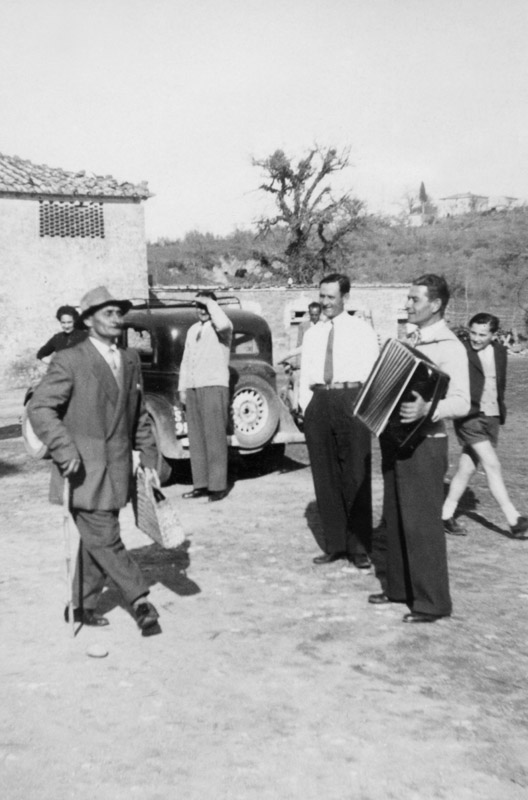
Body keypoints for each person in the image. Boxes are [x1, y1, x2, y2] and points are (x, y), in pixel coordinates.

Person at [28, 286, 161, 634]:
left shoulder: (130, 360)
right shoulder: (70, 359)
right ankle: (140, 601)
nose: (117, 319)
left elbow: (138, 415)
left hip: (117, 470)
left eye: (119, 313)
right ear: (88, 320)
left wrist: (149, 457)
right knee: (106, 537)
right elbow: (40, 408)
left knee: (97, 540)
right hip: (81, 471)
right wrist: (63, 448)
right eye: (108, 313)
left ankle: (81, 605)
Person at [369, 274, 470, 623]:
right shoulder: (410, 340)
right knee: (395, 518)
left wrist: (430, 410)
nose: (408, 305)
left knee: (422, 524)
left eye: (414, 299)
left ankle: (432, 602)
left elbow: (462, 401)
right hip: (397, 441)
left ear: (436, 304)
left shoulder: (450, 346)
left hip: (427, 443)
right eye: (408, 299)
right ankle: (399, 588)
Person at [299, 273, 379, 569]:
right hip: (319, 401)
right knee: (325, 475)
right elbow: (305, 373)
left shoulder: (361, 330)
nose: (325, 302)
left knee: (355, 474)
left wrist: (364, 411)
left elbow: (372, 374)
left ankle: (359, 547)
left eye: (331, 297)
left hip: (352, 400)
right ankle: (335, 544)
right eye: (322, 296)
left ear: (345, 297)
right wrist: (306, 406)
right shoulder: (312, 333)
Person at [442, 313, 528, 539]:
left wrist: (498, 411)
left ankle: (445, 515)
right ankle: (514, 519)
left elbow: (499, 384)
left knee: (467, 468)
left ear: (493, 335)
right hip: (469, 416)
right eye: (473, 333)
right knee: (493, 465)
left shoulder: (500, 352)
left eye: (482, 335)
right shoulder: (460, 351)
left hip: (491, 416)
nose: (476, 338)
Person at [178, 291, 233, 502]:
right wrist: (183, 388)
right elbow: (185, 360)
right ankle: (200, 484)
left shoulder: (222, 328)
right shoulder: (193, 330)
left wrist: (210, 303)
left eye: (205, 306)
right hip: (193, 387)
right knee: (197, 438)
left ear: (213, 307)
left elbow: (223, 323)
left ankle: (217, 486)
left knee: (214, 437)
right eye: (198, 306)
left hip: (213, 385)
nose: (201, 310)